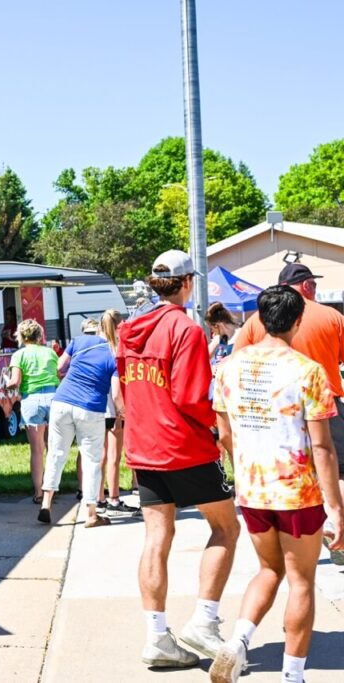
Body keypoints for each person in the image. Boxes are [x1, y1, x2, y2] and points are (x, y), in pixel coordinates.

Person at [209, 285, 344, 683]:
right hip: (297, 492)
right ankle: (292, 675)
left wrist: (243, 468)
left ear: (259, 320)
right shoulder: (307, 371)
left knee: (268, 569)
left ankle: (236, 643)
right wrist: (335, 508)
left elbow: (224, 434)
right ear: (298, 321)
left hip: (253, 488)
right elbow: (322, 447)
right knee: (301, 579)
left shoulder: (228, 367)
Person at [117, 249, 241, 669]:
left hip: (144, 447)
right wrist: (217, 421)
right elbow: (191, 397)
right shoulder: (184, 329)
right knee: (226, 527)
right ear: (187, 283)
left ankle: (156, 637)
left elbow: (127, 388)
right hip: (184, 446)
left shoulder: (129, 328)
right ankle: (204, 621)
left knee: (156, 538)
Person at [232, 262, 344, 566]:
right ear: (306, 286)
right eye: (314, 285)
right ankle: (338, 536)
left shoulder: (258, 321)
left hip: (276, 410)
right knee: (335, 469)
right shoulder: (332, 316)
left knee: (293, 473)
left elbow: (237, 360)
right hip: (327, 405)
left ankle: (289, 541)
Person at [38, 318, 121, 527]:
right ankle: (91, 513)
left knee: (56, 454)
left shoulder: (79, 341)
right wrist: (124, 412)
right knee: (91, 460)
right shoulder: (115, 355)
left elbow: (59, 367)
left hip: (62, 401)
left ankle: (46, 504)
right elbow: (117, 394)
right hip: (91, 407)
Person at [6, 319, 59, 503]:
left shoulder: (19, 355)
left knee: (37, 450)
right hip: (54, 398)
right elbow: (58, 374)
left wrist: (7, 385)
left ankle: (38, 493)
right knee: (52, 449)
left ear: (21, 336)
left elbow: (15, 381)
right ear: (40, 335)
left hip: (32, 399)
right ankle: (52, 490)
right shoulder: (50, 352)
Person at [99, 308, 138, 515]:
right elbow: (117, 390)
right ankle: (114, 499)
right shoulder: (118, 349)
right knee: (114, 456)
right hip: (113, 408)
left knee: (100, 456)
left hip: (96, 407)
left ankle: (99, 498)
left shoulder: (96, 347)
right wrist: (122, 411)